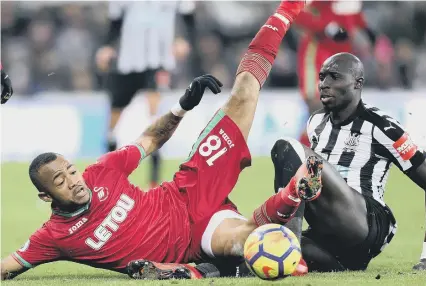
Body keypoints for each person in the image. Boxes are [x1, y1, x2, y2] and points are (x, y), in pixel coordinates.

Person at [1, 1, 312, 280]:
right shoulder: (53, 237)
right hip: (197, 236)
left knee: (243, 93)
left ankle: (287, 8)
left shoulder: (100, 171)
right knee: (247, 240)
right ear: (46, 197)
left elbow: (149, 139)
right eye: (60, 180)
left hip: (190, 188)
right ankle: (290, 197)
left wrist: (183, 106)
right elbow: (7, 266)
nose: (73, 180)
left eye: (70, 170)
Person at [269, 52, 426, 272]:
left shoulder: (382, 126)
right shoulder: (316, 122)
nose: (324, 84)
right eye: (322, 77)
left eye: (334, 77)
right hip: (334, 238)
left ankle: (288, 242)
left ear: (357, 83)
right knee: (251, 248)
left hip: (365, 221)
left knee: (287, 148)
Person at [95, 1, 197, 188]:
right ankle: (108, 176)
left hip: (159, 61)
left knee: (154, 118)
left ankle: (153, 182)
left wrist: (183, 39)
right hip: (126, 62)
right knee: (113, 122)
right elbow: (115, 21)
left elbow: (188, 18)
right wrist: (107, 46)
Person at [292, 1, 376, 147]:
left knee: (337, 110)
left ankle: (311, 153)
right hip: (318, 55)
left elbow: (351, 15)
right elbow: (297, 13)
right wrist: (326, 27)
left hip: (343, 57)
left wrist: (364, 28)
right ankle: (303, 154)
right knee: (318, 106)